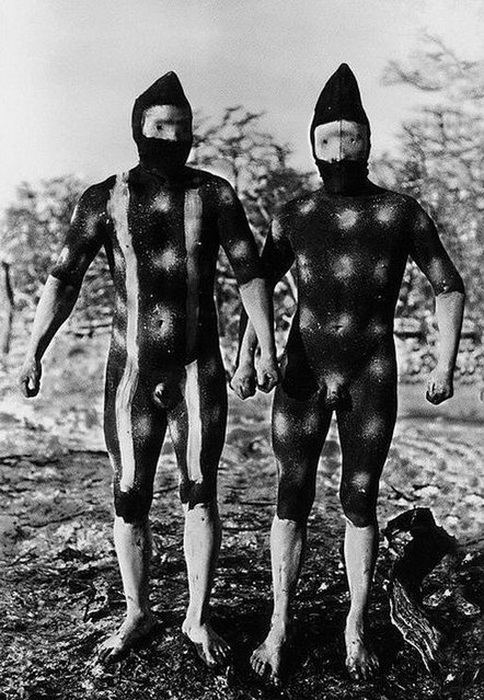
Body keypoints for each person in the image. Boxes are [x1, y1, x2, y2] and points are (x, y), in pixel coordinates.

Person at [19, 71, 279, 667]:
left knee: (200, 490)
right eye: (160, 127)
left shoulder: (214, 194)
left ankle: (196, 616)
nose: (171, 138)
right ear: (138, 130)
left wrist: (264, 347)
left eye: (181, 128)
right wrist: (35, 349)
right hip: (131, 372)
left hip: (196, 368)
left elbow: (250, 275)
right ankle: (137, 611)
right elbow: (63, 278)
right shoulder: (104, 198)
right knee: (129, 493)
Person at [232, 63, 465, 684]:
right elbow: (258, 287)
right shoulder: (293, 214)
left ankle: (354, 625)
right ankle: (280, 622)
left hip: (370, 371)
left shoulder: (399, 213)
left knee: (360, 498)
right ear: (313, 145)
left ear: (368, 141)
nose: (339, 152)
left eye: (351, 138)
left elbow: (448, 286)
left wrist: (444, 362)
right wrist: (249, 355)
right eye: (328, 140)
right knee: (292, 494)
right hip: (303, 371)